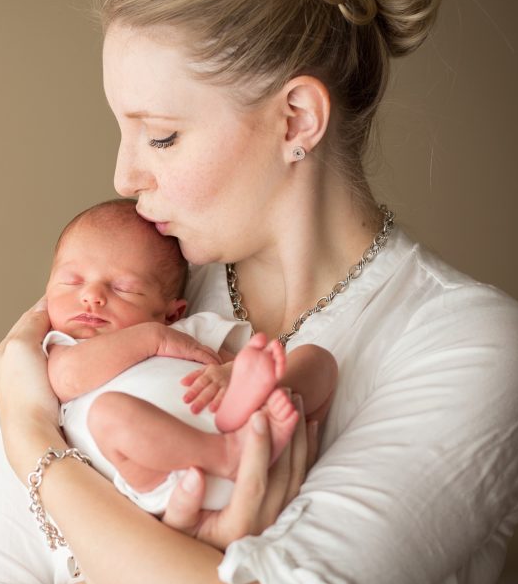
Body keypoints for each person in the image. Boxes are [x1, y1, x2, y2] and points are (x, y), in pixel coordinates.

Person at [0, 0, 518, 584]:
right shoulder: (131, 294)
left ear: (296, 120)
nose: (123, 174)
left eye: (160, 134)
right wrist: (191, 572)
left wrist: (34, 447)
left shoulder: (467, 345)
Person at [44, 198, 337, 514]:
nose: (91, 296)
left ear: (171, 313)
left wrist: (230, 374)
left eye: (123, 288)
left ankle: (266, 421)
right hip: (167, 477)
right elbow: (67, 378)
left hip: (246, 431)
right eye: (72, 281)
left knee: (317, 359)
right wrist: (153, 339)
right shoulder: (65, 345)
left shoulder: (187, 332)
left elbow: (230, 362)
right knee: (108, 414)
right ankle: (224, 454)